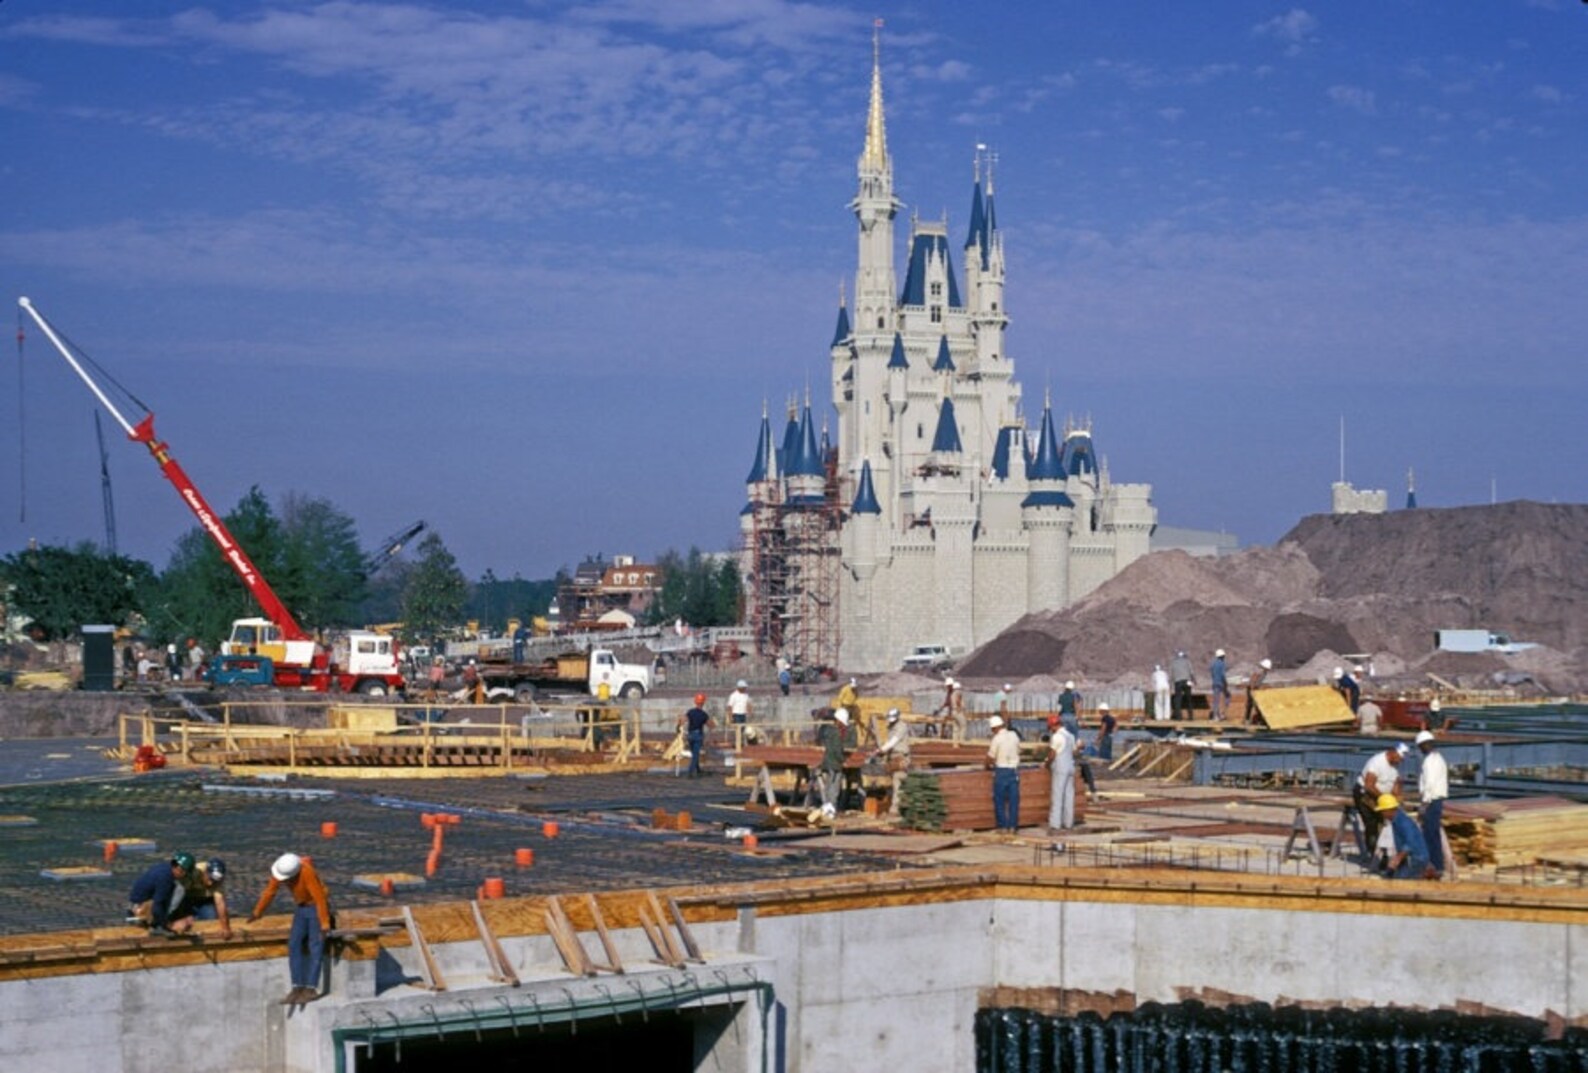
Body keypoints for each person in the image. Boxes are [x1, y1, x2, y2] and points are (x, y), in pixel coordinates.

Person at [248, 853, 333, 1004]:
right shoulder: (282, 871)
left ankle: (310, 988)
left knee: (315, 946)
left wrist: (324, 923)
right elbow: (270, 891)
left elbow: (320, 898)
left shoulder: (307, 872)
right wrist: (258, 912)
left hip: (314, 907)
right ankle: (297, 986)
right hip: (301, 907)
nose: (284, 882)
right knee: (294, 944)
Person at [1354, 743, 1408, 852]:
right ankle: (1372, 851)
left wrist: (1397, 796)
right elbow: (1369, 785)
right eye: (1399, 758)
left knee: (1390, 823)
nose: (1400, 762)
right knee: (1372, 823)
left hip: (1383, 797)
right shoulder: (1377, 762)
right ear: (1393, 753)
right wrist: (1385, 798)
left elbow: (1396, 783)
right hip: (1366, 795)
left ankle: (1385, 851)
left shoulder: (1395, 766)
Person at [127, 852, 195, 936]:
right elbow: (158, 904)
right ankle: (157, 926)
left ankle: (159, 922)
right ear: (181, 871)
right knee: (179, 890)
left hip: (134, 908)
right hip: (138, 913)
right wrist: (165, 926)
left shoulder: (165, 868)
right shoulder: (165, 878)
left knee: (176, 888)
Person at [1373, 795, 1433, 880]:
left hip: (1415, 859)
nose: (1382, 814)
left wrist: (1398, 858)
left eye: (1382, 811)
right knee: (1397, 879)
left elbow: (1410, 843)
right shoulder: (1397, 820)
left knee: (1403, 883)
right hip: (1410, 857)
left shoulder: (1403, 822)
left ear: (1388, 810)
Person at [1416, 730, 1449, 877]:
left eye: (1421, 746)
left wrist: (1424, 804)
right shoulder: (1439, 758)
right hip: (1437, 800)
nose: (1420, 750)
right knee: (1433, 833)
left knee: (1429, 834)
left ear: (1425, 744)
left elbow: (1429, 783)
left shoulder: (1429, 761)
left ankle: (1433, 866)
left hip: (1432, 800)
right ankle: (1437, 865)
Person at [985, 715, 1022, 835]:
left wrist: (987, 766)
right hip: (1013, 771)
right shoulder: (1014, 735)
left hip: (1001, 771)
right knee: (1013, 800)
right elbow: (1019, 750)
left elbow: (990, 757)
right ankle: (1013, 826)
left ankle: (1002, 826)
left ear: (994, 728)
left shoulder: (997, 739)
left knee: (999, 800)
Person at [180, 858, 233, 939]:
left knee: (210, 921)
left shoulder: (218, 880)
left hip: (205, 900)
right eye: (210, 879)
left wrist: (225, 928)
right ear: (205, 872)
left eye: (214, 881)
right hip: (186, 899)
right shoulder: (193, 872)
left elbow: (220, 903)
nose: (210, 883)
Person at [817, 708, 856, 816]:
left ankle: (826, 806)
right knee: (834, 788)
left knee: (829, 785)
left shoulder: (828, 730)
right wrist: (842, 761)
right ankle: (831, 808)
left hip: (827, 763)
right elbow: (837, 750)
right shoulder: (836, 734)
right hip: (835, 764)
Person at [875, 707, 913, 818]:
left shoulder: (902, 727)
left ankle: (895, 809)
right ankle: (899, 806)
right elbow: (889, 741)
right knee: (894, 782)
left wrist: (882, 749)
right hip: (893, 756)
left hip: (901, 757)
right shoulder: (891, 727)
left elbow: (894, 741)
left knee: (898, 780)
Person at [1044, 714, 1078, 837]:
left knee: (1057, 795)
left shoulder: (1057, 737)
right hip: (1070, 766)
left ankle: (1055, 824)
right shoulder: (1070, 736)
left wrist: (1046, 764)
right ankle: (1068, 823)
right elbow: (1074, 752)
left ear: (1054, 725)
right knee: (1069, 796)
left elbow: (1052, 754)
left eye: (1050, 727)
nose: (1050, 729)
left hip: (1060, 768)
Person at [678, 694, 713, 777]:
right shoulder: (704, 714)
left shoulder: (690, 712)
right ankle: (690, 772)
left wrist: (679, 725)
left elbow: (683, 720)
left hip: (690, 735)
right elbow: (711, 725)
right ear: (703, 703)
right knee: (695, 755)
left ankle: (698, 770)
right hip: (698, 735)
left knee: (694, 753)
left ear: (695, 702)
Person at [1244, 658, 1271, 724]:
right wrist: (1252, 689)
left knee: (1257, 704)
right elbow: (1253, 678)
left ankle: (1258, 718)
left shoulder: (1264, 672)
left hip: (1255, 688)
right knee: (1250, 704)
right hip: (1251, 688)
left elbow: (1259, 681)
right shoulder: (1260, 670)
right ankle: (1247, 719)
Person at [1169, 651, 1194, 720]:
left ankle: (1178, 717)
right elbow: (1191, 672)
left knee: (1178, 699)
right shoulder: (1187, 661)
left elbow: (1171, 674)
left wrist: (1170, 684)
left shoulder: (1173, 663)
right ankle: (1191, 716)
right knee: (1189, 699)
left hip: (1178, 682)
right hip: (1187, 681)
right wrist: (1194, 680)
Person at [1209, 649, 1229, 721]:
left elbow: (1212, 673)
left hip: (1214, 683)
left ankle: (1216, 715)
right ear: (1222, 656)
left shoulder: (1213, 664)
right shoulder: (1222, 664)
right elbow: (1223, 675)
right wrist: (1225, 683)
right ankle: (1221, 714)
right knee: (1226, 697)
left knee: (1216, 700)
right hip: (1220, 683)